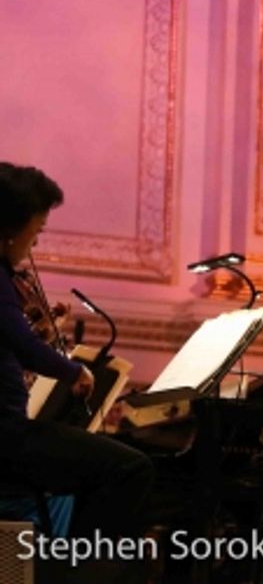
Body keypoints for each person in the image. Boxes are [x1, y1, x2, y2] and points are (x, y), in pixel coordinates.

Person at [0, 163, 153, 582]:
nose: (34, 243)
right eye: (36, 232)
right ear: (11, 228)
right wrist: (73, 372)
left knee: (87, 472)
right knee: (129, 468)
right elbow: (22, 344)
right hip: (5, 437)